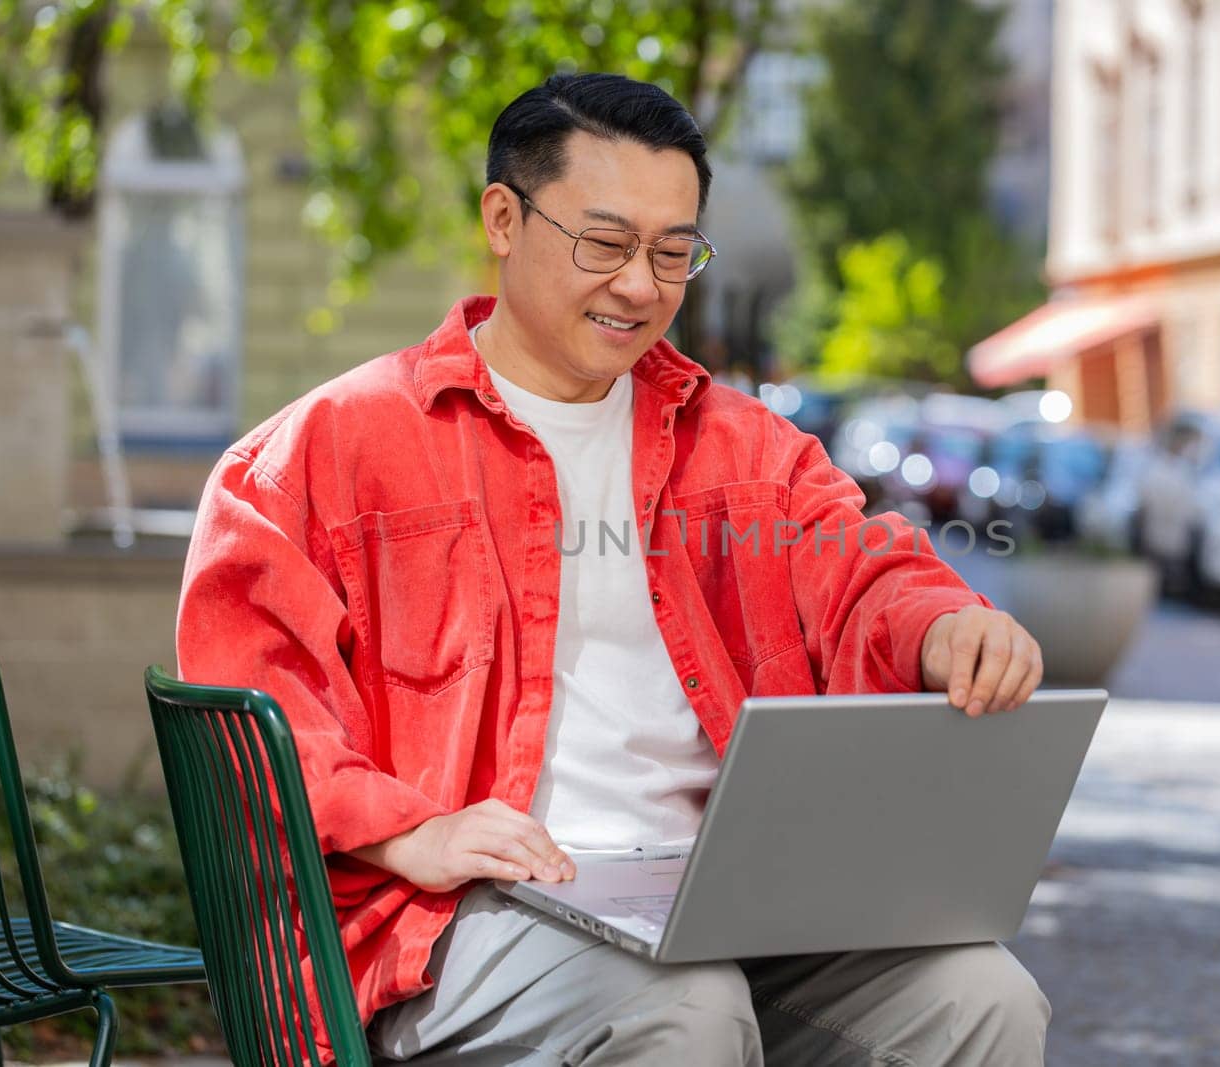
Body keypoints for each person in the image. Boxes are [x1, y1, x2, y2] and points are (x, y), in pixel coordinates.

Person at [178, 72, 1050, 1066]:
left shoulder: (744, 448)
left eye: (673, 251)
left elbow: (862, 570)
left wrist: (945, 625)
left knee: (982, 996)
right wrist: (404, 828)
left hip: (730, 900)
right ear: (503, 219)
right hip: (464, 914)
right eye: (606, 243)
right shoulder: (324, 452)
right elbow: (247, 703)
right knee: (682, 1010)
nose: (641, 284)